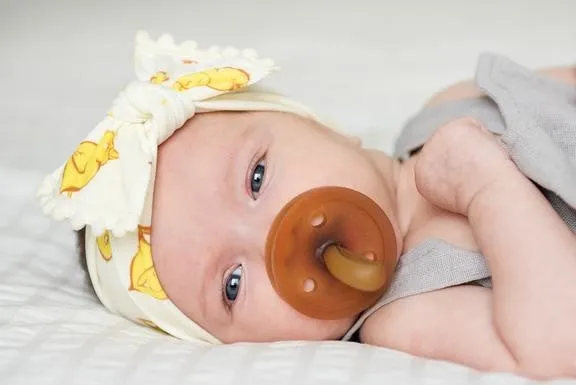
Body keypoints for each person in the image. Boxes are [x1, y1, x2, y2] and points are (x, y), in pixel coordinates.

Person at [39, 31, 576, 380]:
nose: (278, 234)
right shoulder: (409, 312)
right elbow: (558, 345)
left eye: (257, 177)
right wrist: (487, 188)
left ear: (321, 125)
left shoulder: (453, 104)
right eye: (232, 283)